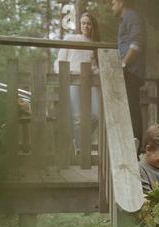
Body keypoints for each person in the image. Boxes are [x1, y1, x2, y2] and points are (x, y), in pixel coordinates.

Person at [54, 12, 101, 155]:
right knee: (77, 117)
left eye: (88, 23)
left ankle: (80, 138)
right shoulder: (71, 38)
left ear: (92, 26)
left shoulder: (95, 44)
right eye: (83, 23)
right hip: (73, 80)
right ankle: (80, 148)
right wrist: (62, 74)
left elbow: (94, 66)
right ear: (79, 25)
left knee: (96, 115)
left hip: (90, 81)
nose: (86, 26)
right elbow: (59, 61)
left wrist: (98, 71)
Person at [111, 0, 146, 153]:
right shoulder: (125, 20)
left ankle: (135, 150)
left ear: (121, 2)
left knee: (132, 110)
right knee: (127, 111)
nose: (111, 7)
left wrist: (123, 64)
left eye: (113, 3)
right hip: (127, 72)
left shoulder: (132, 16)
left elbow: (137, 44)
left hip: (131, 72)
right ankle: (129, 148)